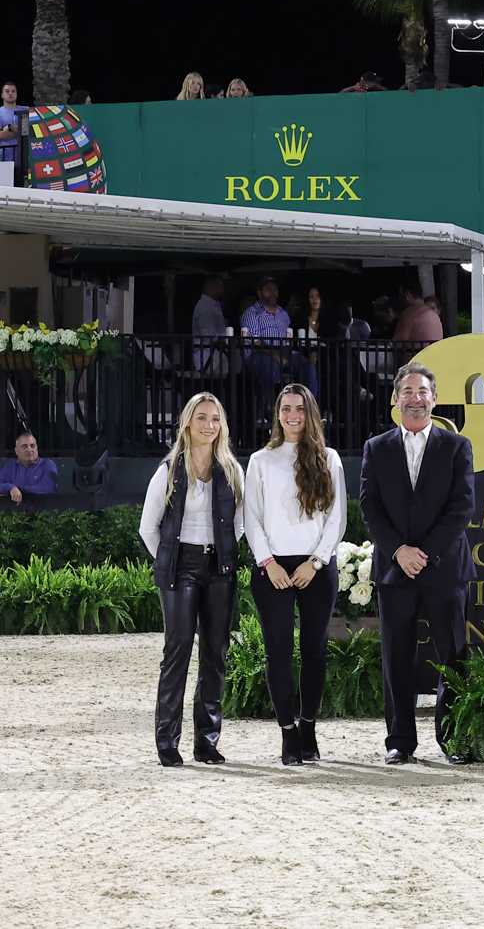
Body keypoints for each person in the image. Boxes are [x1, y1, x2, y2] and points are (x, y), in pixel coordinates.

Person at [360, 363, 475, 764]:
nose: (415, 398)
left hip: (445, 568)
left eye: (422, 391)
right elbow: (370, 508)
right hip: (395, 570)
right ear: (395, 398)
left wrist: (425, 553)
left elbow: (462, 507)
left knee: (454, 656)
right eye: (407, 391)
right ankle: (399, 742)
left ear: (434, 398)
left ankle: (455, 739)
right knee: (396, 657)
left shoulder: (457, 446)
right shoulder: (376, 448)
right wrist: (399, 552)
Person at [138, 393, 245, 766]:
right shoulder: (169, 469)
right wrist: (169, 560)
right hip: (180, 567)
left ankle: (207, 741)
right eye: (201, 418)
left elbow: (240, 523)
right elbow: (148, 528)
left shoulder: (231, 469)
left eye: (215, 419)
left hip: (220, 569)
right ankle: (167, 741)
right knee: (178, 651)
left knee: (215, 654)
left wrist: (223, 553)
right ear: (188, 422)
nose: (208, 425)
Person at [244, 383, 346, 767]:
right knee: (279, 653)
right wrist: (268, 563)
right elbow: (250, 518)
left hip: (316, 567)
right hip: (272, 567)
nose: (292, 415)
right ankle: (287, 733)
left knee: (315, 652)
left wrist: (316, 562)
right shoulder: (261, 461)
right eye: (286, 408)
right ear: (277, 414)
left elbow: (337, 519)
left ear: (310, 414)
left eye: (300, 409)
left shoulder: (329, 458)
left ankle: (308, 727)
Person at [242, 275, 318, 403]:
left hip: (284, 353)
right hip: (258, 353)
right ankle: (260, 409)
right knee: (272, 368)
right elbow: (255, 341)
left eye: (275, 289)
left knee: (307, 367)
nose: (273, 292)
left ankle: (310, 409)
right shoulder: (251, 313)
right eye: (269, 289)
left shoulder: (283, 313)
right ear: (260, 293)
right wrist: (275, 354)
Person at [0, 431, 57, 503]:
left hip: (41, 510)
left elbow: (46, 488)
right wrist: (10, 488)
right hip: (15, 511)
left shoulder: (47, 464)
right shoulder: (11, 466)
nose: (29, 450)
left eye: (32, 446)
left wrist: (18, 490)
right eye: (24, 446)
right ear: (16, 451)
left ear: (37, 448)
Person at [0, 81, 23, 169]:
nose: (10, 93)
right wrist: (21, 133)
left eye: (13, 91)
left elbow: (32, 130)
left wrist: (10, 127)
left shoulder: (26, 110)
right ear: (2, 95)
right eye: (7, 91)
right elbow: (1, 135)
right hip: (3, 159)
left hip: (24, 159)